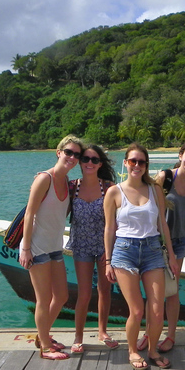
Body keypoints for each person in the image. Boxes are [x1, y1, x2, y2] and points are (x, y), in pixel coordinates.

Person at [104, 143, 178, 370]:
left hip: (153, 250)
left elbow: (162, 224)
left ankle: (153, 349)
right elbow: (109, 229)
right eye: (132, 161)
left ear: (147, 165)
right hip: (124, 251)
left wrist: (172, 256)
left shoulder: (155, 189)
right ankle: (133, 350)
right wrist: (107, 261)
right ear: (126, 162)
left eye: (141, 162)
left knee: (156, 309)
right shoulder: (114, 192)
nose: (137, 165)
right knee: (136, 310)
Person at [136, 140, 185, 354]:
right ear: (180, 155)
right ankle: (149, 333)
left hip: (178, 241)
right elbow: (151, 207)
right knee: (154, 291)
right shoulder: (165, 177)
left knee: (172, 290)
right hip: (157, 241)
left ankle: (171, 335)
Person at [19, 135, 84, 360]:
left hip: (55, 247)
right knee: (43, 299)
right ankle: (45, 347)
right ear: (59, 152)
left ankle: (42, 335)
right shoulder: (44, 179)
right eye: (68, 152)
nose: (72, 157)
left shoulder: (67, 183)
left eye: (77, 154)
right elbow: (29, 214)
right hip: (37, 247)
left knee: (62, 295)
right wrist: (26, 249)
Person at [66, 144, 119, 354]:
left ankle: (102, 332)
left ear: (100, 163)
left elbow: (117, 219)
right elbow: (54, 203)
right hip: (81, 245)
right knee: (84, 292)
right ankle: (78, 336)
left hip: (105, 245)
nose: (89, 163)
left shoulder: (109, 187)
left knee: (105, 290)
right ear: (79, 162)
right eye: (86, 159)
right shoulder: (72, 187)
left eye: (94, 160)